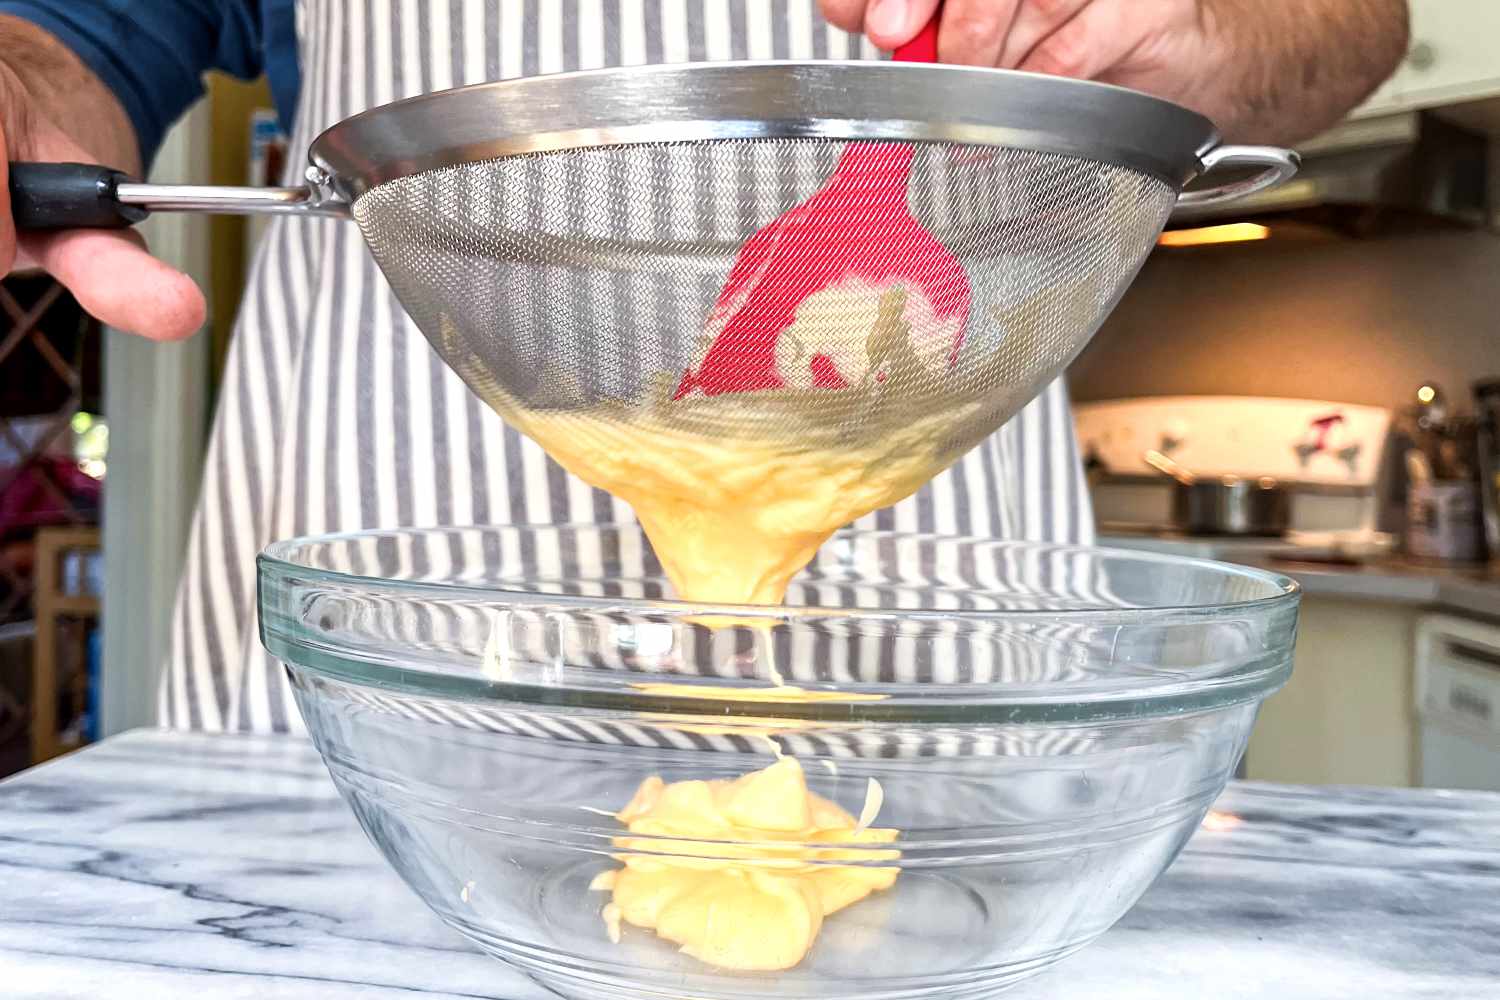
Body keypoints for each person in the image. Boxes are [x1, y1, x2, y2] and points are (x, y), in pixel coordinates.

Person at [0, 1, 1410, 733]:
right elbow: (73, 46)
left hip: (943, 671)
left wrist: (1221, 23)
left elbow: (1344, 25)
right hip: (386, 693)